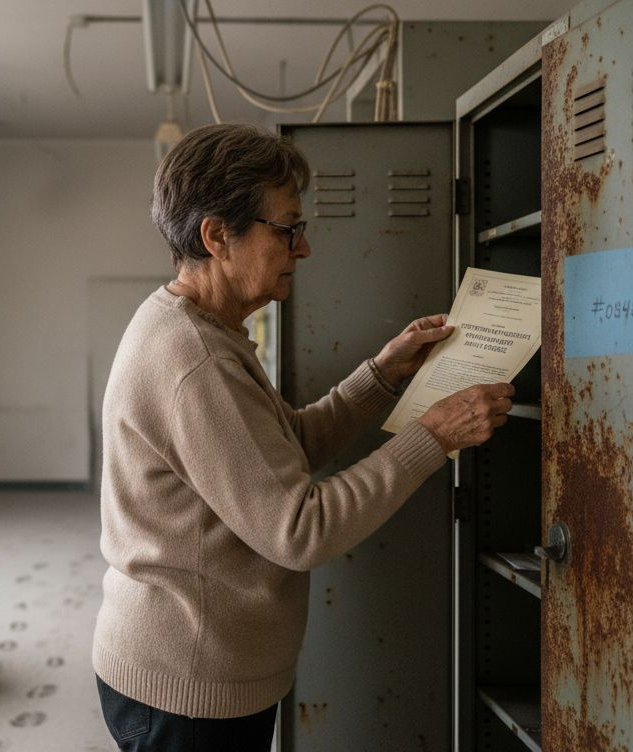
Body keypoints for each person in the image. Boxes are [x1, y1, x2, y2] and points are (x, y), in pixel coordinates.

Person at [92, 122, 513, 751]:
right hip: (186, 689)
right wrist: (434, 434)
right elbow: (299, 528)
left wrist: (380, 375)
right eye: (287, 229)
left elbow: (279, 452)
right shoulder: (195, 359)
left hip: (190, 673)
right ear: (216, 236)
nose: (304, 247)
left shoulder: (202, 330)